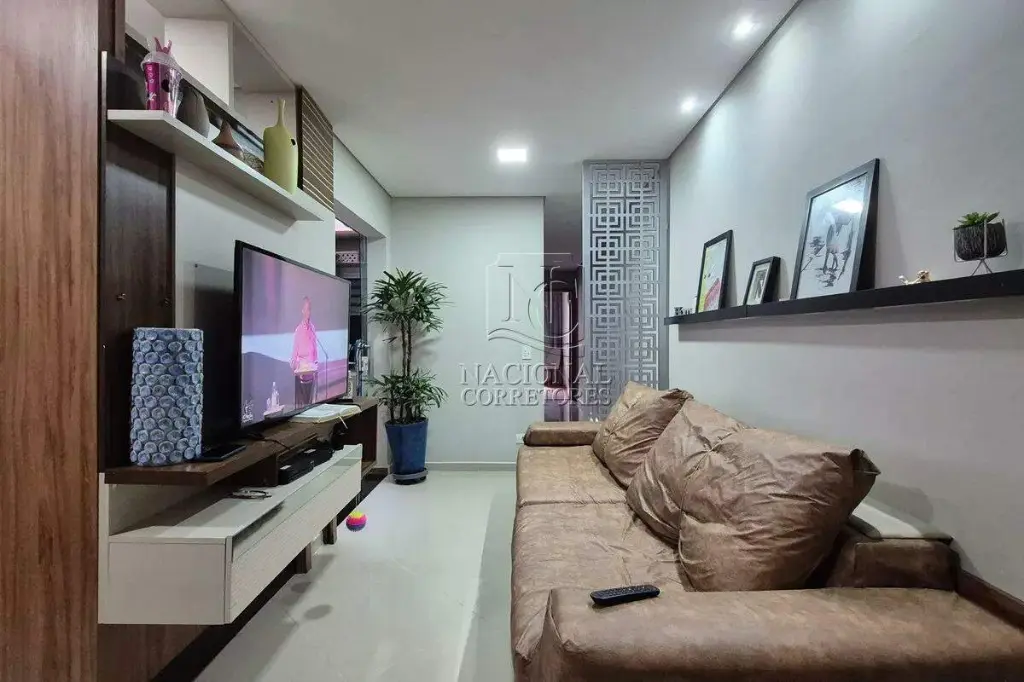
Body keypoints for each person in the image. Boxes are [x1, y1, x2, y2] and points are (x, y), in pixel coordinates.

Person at [290, 296, 318, 407]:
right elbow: (293, 357)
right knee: (303, 408)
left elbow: (315, 353)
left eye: (309, 309)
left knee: (311, 407)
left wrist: (315, 364)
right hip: (301, 378)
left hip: (312, 378)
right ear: (302, 311)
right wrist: (297, 365)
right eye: (306, 309)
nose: (308, 312)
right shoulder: (298, 330)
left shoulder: (312, 329)